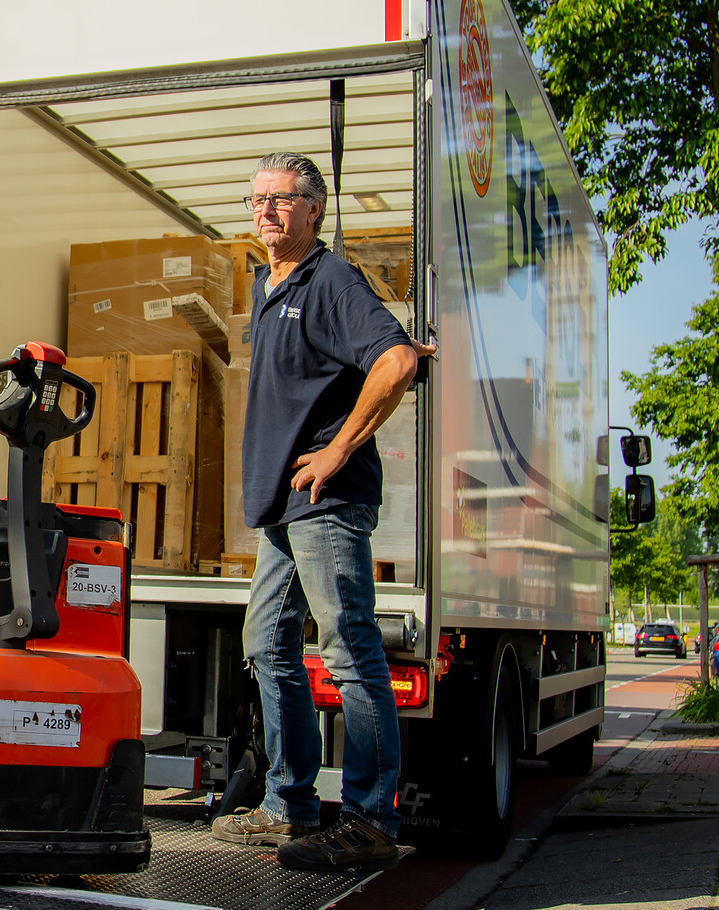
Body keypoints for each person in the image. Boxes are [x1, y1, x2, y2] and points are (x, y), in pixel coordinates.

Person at [208, 151, 432, 872]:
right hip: (283, 505)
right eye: (256, 200)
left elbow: (395, 361)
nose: (265, 210)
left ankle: (369, 818)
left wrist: (337, 450)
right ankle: (290, 805)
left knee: (349, 650)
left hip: (325, 502)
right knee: (266, 645)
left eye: (280, 199)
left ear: (313, 209)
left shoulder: (329, 279)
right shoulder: (266, 285)